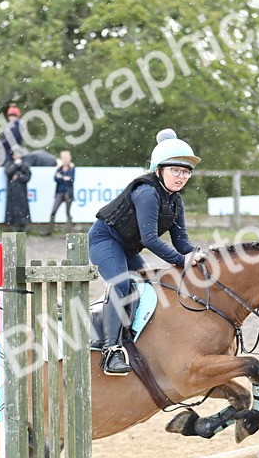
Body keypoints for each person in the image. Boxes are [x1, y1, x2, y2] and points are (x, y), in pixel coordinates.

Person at [88, 129, 205, 376]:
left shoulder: (175, 201)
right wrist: (181, 260)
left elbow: (181, 241)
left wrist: (198, 254)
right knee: (122, 286)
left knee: (150, 287)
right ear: (159, 169)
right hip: (105, 240)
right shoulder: (147, 192)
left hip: (128, 248)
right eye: (175, 170)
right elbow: (150, 239)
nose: (181, 176)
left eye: (186, 172)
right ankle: (111, 351)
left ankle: (137, 340)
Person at [3, 147, 32, 231]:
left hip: (21, 191)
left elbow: (27, 177)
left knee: (22, 210)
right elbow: (8, 172)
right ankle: (13, 228)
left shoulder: (24, 164)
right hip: (12, 191)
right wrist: (16, 165)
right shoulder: (9, 163)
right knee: (12, 210)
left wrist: (19, 175)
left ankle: (22, 227)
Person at [48, 150, 75, 231]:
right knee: (53, 211)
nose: (65, 159)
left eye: (66, 158)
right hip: (60, 192)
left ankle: (68, 230)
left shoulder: (72, 168)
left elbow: (71, 179)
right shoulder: (59, 168)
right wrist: (65, 178)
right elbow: (55, 178)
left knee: (67, 212)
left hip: (68, 193)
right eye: (64, 158)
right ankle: (50, 230)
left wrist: (61, 177)